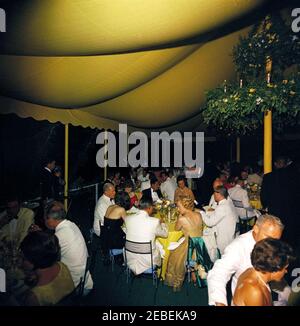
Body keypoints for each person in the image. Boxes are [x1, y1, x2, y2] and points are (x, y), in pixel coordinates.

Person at [207, 214, 284, 306]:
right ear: (256, 229)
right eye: (268, 238)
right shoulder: (238, 247)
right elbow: (218, 274)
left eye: (276, 240)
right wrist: (220, 303)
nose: (273, 244)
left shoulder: (269, 244)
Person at [44, 201, 93, 294]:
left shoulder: (59, 235)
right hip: (83, 276)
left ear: (50, 219)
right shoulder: (71, 224)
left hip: (74, 282)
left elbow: (46, 259)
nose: (45, 222)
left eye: (45, 219)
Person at [165, 197, 212, 290]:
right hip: (200, 244)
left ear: (185, 206)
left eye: (179, 207)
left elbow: (176, 229)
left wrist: (179, 217)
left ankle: (177, 281)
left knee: (172, 255)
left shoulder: (182, 219)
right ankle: (194, 274)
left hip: (188, 246)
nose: (178, 209)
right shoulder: (198, 215)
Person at [233, 238, 294, 306]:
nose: (286, 271)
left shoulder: (254, 272)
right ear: (275, 269)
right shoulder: (254, 292)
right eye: (285, 268)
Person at [20, 231, 74, 306]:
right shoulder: (62, 266)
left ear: (33, 262)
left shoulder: (34, 297)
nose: (21, 262)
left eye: (24, 258)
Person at [261, 155, 298, 247]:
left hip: (275, 209)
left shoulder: (268, 177)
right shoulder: (295, 176)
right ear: (285, 164)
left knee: (276, 231)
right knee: (289, 235)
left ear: (275, 164)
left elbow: (264, 195)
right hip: (291, 210)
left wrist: (265, 204)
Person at [123, 197, 168, 275]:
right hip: (148, 261)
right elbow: (165, 234)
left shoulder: (127, 218)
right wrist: (163, 224)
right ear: (149, 208)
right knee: (161, 245)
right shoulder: (154, 221)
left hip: (130, 258)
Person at [201, 186, 238, 255]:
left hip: (224, 237)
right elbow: (217, 215)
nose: (213, 196)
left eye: (214, 194)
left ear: (218, 194)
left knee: (223, 254)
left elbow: (210, 223)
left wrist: (201, 213)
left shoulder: (222, 207)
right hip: (227, 233)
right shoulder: (225, 203)